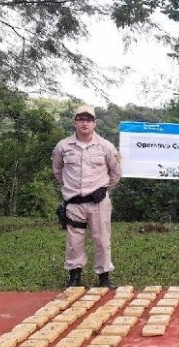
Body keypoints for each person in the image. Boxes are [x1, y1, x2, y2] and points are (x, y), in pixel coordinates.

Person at [52, 105, 122, 289]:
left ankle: (104, 277)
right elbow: (58, 171)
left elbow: (116, 172)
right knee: (74, 241)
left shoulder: (106, 146)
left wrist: (104, 189)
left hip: (98, 202)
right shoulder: (63, 146)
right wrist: (69, 188)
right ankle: (74, 276)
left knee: (101, 239)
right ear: (75, 122)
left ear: (94, 123)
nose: (84, 123)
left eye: (88, 119)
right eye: (81, 119)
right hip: (74, 202)